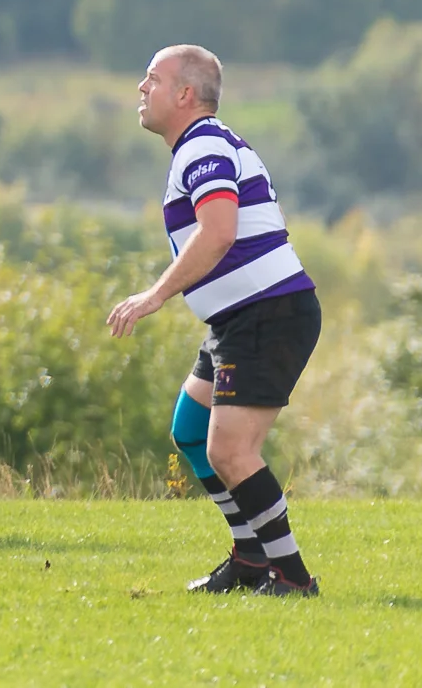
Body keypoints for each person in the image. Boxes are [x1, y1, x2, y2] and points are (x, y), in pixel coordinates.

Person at [111, 45, 321, 596]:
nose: (141, 88)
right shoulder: (199, 145)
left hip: (265, 314)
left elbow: (219, 230)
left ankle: (293, 577)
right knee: (190, 430)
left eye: (152, 79)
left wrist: (155, 294)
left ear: (184, 94)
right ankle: (250, 560)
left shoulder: (201, 145)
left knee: (230, 451)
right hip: (241, 319)